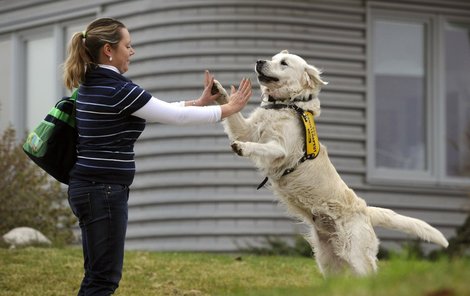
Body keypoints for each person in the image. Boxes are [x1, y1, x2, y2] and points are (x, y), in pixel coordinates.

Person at [62, 17, 251, 296]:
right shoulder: (116, 88)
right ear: (108, 50)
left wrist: (198, 104)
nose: (133, 51)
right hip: (102, 191)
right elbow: (175, 116)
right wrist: (228, 109)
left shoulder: (94, 84)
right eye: (128, 45)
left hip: (91, 189)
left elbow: (156, 109)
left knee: (97, 275)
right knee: (103, 280)